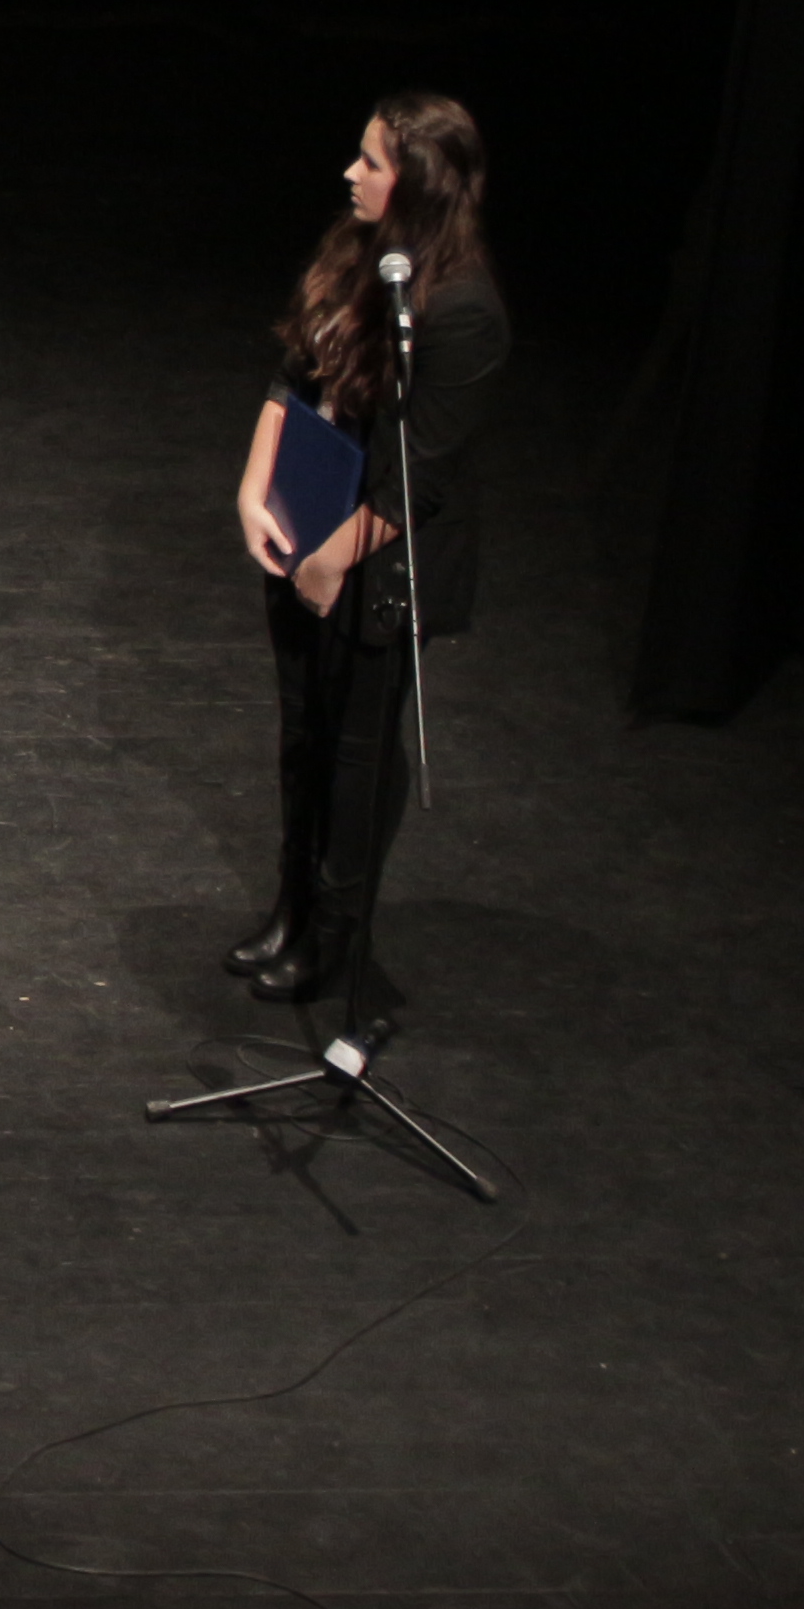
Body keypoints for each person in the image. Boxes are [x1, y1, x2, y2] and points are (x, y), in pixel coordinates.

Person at [228, 94, 508, 1033]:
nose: (351, 174)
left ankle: (335, 934)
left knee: (356, 755)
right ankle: (292, 905)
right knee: (302, 735)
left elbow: (419, 474)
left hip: (380, 565)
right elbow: (292, 375)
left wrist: (333, 563)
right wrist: (254, 490)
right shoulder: (358, 252)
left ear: (418, 185)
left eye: (372, 162)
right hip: (309, 522)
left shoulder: (461, 309)